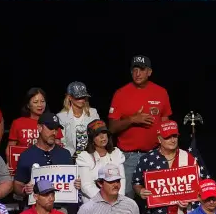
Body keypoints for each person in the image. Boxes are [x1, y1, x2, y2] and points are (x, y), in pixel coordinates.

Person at [108, 55, 172, 198]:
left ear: (149, 72)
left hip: (155, 154)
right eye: (134, 69)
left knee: (156, 197)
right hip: (129, 156)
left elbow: (166, 124)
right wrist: (132, 119)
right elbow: (111, 128)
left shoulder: (161, 92)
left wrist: (167, 152)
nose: (137, 74)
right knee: (126, 199)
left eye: (142, 70)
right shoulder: (121, 93)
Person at [14, 112, 78, 214]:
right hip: (34, 209)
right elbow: (17, 185)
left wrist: (76, 184)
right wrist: (24, 189)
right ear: (39, 128)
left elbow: (71, 182)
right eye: (50, 128)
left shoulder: (65, 154)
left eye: (56, 129)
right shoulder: (27, 155)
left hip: (59, 209)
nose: (54, 132)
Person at [76, 120, 125, 203]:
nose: (102, 137)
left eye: (104, 133)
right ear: (92, 138)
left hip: (116, 201)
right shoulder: (84, 157)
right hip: (94, 203)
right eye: (98, 134)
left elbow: (122, 180)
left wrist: (117, 200)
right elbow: (86, 186)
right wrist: (105, 200)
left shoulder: (116, 153)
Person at [58, 81, 99, 157]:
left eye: (83, 97)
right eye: (78, 97)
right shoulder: (61, 117)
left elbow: (98, 134)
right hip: (70, 157)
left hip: (91, 156)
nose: (81, 100)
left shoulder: (93, 113)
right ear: (69, 97)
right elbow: (62, 141)